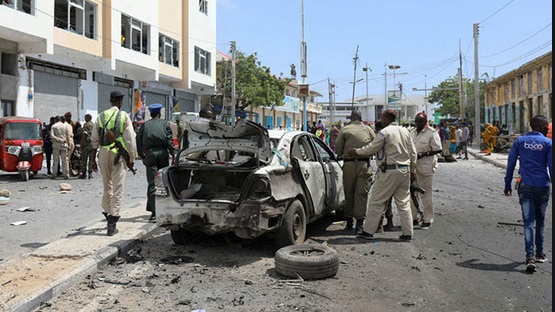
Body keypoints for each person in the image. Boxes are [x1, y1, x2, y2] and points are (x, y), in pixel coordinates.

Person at [348, 109, 417, 242]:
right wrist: (413, 170)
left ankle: (368, 232)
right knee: (403, 203)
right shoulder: (405, 132)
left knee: (376, 201)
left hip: (388, 171)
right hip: (404, 170)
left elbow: (372, 148)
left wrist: (356, 151)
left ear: (386, 118)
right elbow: (413, 153)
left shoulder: (385, 133)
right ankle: (407, 233)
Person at [503, 115, 552, 273]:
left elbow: (511, 164)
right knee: (541, 220)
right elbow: (551, 167)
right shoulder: (548, 143)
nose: (548, 129)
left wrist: (507, 184)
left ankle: (530, 257)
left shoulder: (519, 142)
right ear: (542, 125)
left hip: (525, 186)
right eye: (546, 126)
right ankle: (539, 253)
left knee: (528, 221)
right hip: (542, 186)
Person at [90, 91, 137, 236]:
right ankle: (112, 221)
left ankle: (107, 211)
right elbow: (130, 140)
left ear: (111, 101)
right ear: (120, 102)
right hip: (118, 154)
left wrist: (92, 159)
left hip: (103, 153)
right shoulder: (124, 116)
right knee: (118, 187)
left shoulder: (101, 116)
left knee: (107, 185)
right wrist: (132, 158)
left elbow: (94, 140)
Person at [334, 110, 376, 234]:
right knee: (361, 194)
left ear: (351, 118)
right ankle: (359, 224)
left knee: (349, 193)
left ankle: (349, 221)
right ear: (361, 117)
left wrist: (342, 154)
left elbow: (338, 148)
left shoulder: (345, 130)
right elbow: (375, 145)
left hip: (349, 165)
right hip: (364, 164)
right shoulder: (368, 129)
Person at [136, 103, 176, 222]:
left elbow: (138, 141)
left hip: (150, 154)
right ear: (159, 113)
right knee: (163, 182)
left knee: (152, 183)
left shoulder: (145, 125)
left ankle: (154, 213)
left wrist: (142, 156)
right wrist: (173, 155)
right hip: (163, 154)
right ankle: (163, 209)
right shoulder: (165, 124)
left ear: (151, 114)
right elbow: (169, 141)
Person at [409, 112, 442, 229]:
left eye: (420, 121)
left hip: (425, 167)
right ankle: (413, 218)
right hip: (413, 167)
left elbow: (438, 149)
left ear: (425, 122)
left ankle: (428, 219)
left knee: (426, 195)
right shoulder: (411, 132)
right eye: (416, 121)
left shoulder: (431, 133)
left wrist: (426, 153)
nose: (418, 123)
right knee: (411, 194)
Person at [50, 115, 71, 180]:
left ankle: (54, 175)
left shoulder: (54, 126)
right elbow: (68, 136)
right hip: (64, 145)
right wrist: (69, 145)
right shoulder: (65, 126)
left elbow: (52, 135)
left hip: (56, 145)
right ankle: (66, 174)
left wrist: (58, 139)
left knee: (55, 160)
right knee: (64, 160)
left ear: (55, 120)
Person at [79, 113, 94, 179]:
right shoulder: (94, 125)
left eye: (85, 118)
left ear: (88, 118)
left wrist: (81, 144)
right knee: (91, 159)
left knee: (84, 159)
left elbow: (84, 134)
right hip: (93, 144)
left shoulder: (86, 125)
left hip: (86, 144)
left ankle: (84, 173)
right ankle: (90, 173)